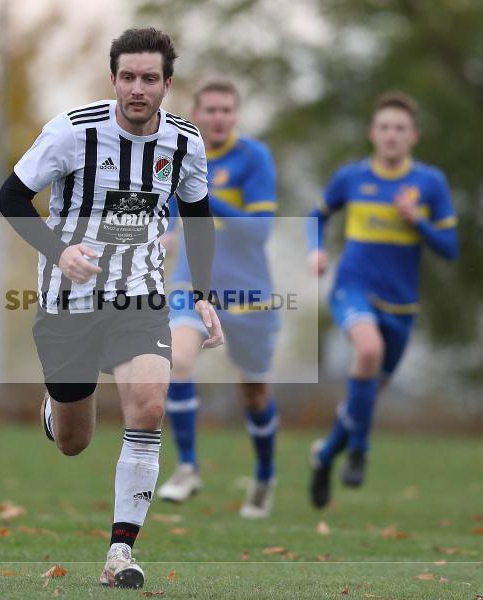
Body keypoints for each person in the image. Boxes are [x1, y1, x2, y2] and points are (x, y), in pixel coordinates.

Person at [0, 27, 223, 588]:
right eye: (127, 77)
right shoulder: (72, 132)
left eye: (149, 78)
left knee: (148, 406)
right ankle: (56, 410)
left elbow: (198, 217)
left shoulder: (185, 143)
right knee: (74, 441)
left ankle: (120, 553)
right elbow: (10, 196)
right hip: (68, 300)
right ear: (113, 79)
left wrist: (204, 294)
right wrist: (60, 250)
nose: (137, 88)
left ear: (167, 84)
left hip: (140, 297)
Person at [304, 92, 458, 509]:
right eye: (385, 127)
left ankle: (325, 456)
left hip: (402, 306)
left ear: (414, 136)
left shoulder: (430, 183)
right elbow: (317, 216)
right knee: (368, 351)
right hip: (352, 288)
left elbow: (449, 248)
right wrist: (316, 250)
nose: (392, 135)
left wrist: (417, 220)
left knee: (367, 394)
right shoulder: (351, 177)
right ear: (373, 133)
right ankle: (360, 448)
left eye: (400, 129)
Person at [156, 79, 281, 518]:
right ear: (196, 114)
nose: (218, 117)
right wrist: (165, 235)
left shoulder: (254, 158)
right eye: (210, 109)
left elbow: (260, 231)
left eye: (226, 109)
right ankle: (188, 467)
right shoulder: (177, 155)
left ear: (236, 116)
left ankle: (264, 476)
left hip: (249, 294)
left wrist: (206, 200)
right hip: (194, 285)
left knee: (254, 396)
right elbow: (169, 215)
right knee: (177, 359)